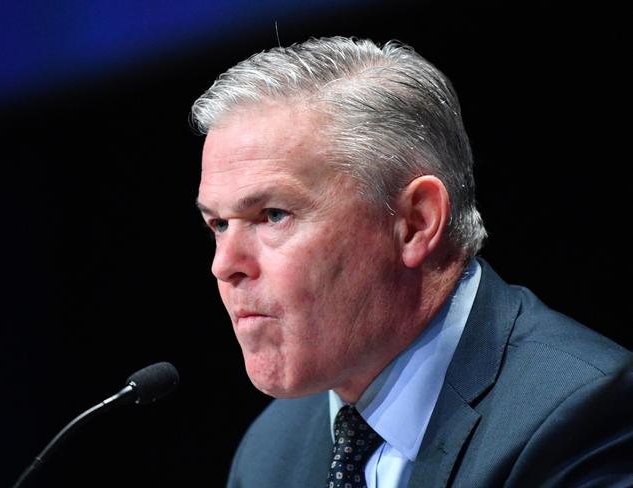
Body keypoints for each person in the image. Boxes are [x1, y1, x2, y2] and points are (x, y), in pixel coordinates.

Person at [191, 37, 633, 487]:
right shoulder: (270, 453)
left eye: (273, 215)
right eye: (218, 225)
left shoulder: (580, 418)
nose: (225, 265)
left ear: (416, 223)